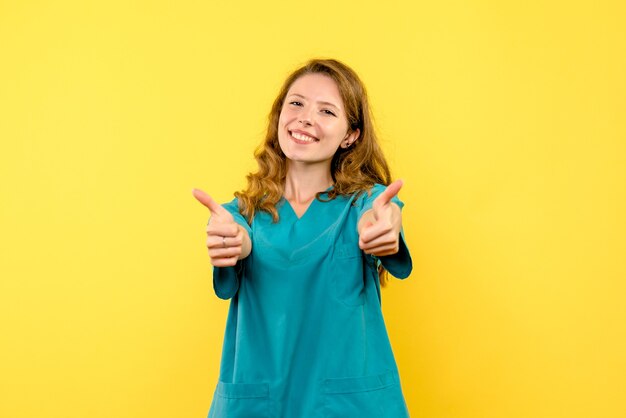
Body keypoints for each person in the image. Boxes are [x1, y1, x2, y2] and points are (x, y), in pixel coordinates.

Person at [192, 58, 412, 418]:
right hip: (261, 403)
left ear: (350, 135)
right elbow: (239, 236)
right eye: (296, 103)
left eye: (326, 111)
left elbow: (382, 215)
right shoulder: (240, 214)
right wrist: (232, 242)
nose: (306, 117)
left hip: (348, 406)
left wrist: (384, 226)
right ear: (280, 115)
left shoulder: (364, 203)